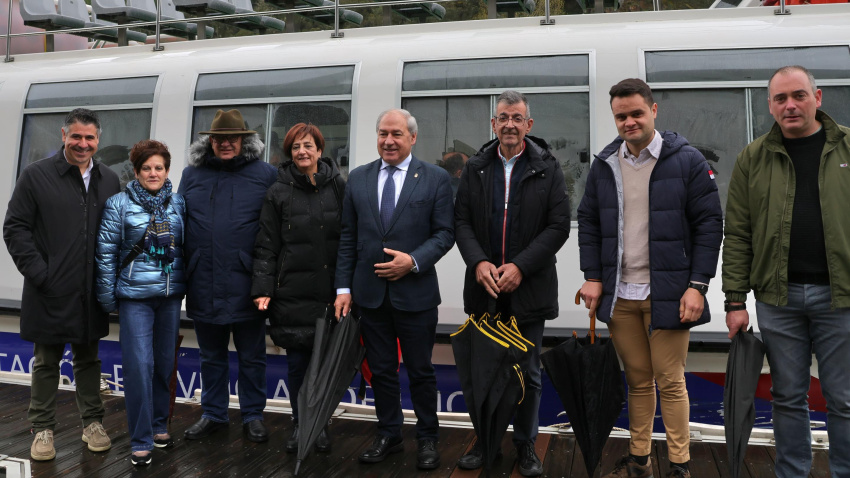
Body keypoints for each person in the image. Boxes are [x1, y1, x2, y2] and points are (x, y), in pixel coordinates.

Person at [578, 78, 722, 478]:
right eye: (621, 116)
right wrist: (592, 276)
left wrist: (698, 286)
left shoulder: (687, 160)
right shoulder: (606, 164)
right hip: (621, 295)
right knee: (639, 382)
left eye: (636, 113)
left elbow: (710, 225)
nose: (628, 122)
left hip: (671, 294)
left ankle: (679, 466)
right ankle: (640, 461)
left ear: (654, 111)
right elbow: (589, 221)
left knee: (670, 382)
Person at [723, 65, 850, 478]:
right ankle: (792, 473)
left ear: (818, 97)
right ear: (770, 106)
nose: (790, 105)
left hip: (842, 297)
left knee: (844, 398)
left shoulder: (848, 147)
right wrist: (735, 300)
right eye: (780, 99)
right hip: (779, 299)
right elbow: (738, 233)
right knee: (787, 397)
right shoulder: (753, 157)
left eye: (798, 95)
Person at [453, 90, 571, 477]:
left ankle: (525, 446)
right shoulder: (476, 167)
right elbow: (462, 223)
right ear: (493, 124)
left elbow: (557, 227)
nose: (509, 124)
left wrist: (520, 266)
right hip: (485, 289)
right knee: (483, 372)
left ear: (528, 125)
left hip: (528, 289)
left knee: (528, 373)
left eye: (517, 118)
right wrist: (479, 262)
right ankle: (485, 442)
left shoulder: (548, 167)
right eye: (503, 117)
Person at [333, 109, 454, 471]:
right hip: (370, 295)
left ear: (412, 138)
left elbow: (444, 233)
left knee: (420, 370)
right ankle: (388, 434)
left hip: (415, 293)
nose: (388, 140)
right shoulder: (358, 178)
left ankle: (428, 438)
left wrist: (413, 261)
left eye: (397, 134)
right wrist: (343, 287)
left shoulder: (435, 179)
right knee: (382, 370)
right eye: (383, 133)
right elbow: (348, 238)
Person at [3, 108, 120, 461]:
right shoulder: (36, 176)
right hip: (49, 290)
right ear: (63, 135)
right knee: (46, 362)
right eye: (76, 136)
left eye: (90, 138)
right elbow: (15, 228)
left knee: (88, 361)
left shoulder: (110, 179)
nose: (83, 144)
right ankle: (42, 429)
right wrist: (40, 273)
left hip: (90, 291)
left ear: (98, 139)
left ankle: (93, 423)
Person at [179, 109, 277, 443]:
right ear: (210, 142)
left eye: (231, 139)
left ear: (244, 140)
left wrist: (268, 279)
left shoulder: (265, 175)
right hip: (203, 279)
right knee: (211, 355)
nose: (224, 144)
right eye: (218, 139)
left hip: (247, 281)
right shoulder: (191, 175)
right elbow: (176, 225)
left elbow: (274, 231)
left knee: (252, 356)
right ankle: (214, 414)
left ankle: (253, 415)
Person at [251, 124, 345, 454]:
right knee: (297, 366)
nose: (301, 152)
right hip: (290, 293)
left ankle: (319, 424)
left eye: (307, 146)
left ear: (320, 149)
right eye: (294, 148)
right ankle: (299, 423)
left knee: (323, 366)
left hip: (330, 294)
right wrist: (263, 288)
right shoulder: (278, 192)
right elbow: (266, 244)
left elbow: (349, 242)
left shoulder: (339, 187)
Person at [94, 140, 186, 466]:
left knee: (163, 365)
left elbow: (185, 248)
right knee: (139, 368)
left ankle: (160, 426)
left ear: (167, 170)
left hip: (170, 297)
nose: (153, 173)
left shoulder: (177, 204)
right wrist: (107, 298)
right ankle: (141, 440)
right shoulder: (118, 204)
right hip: (134, 299)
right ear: (135, 171)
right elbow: (105, 254)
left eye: (158, 167)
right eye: (146, 167)